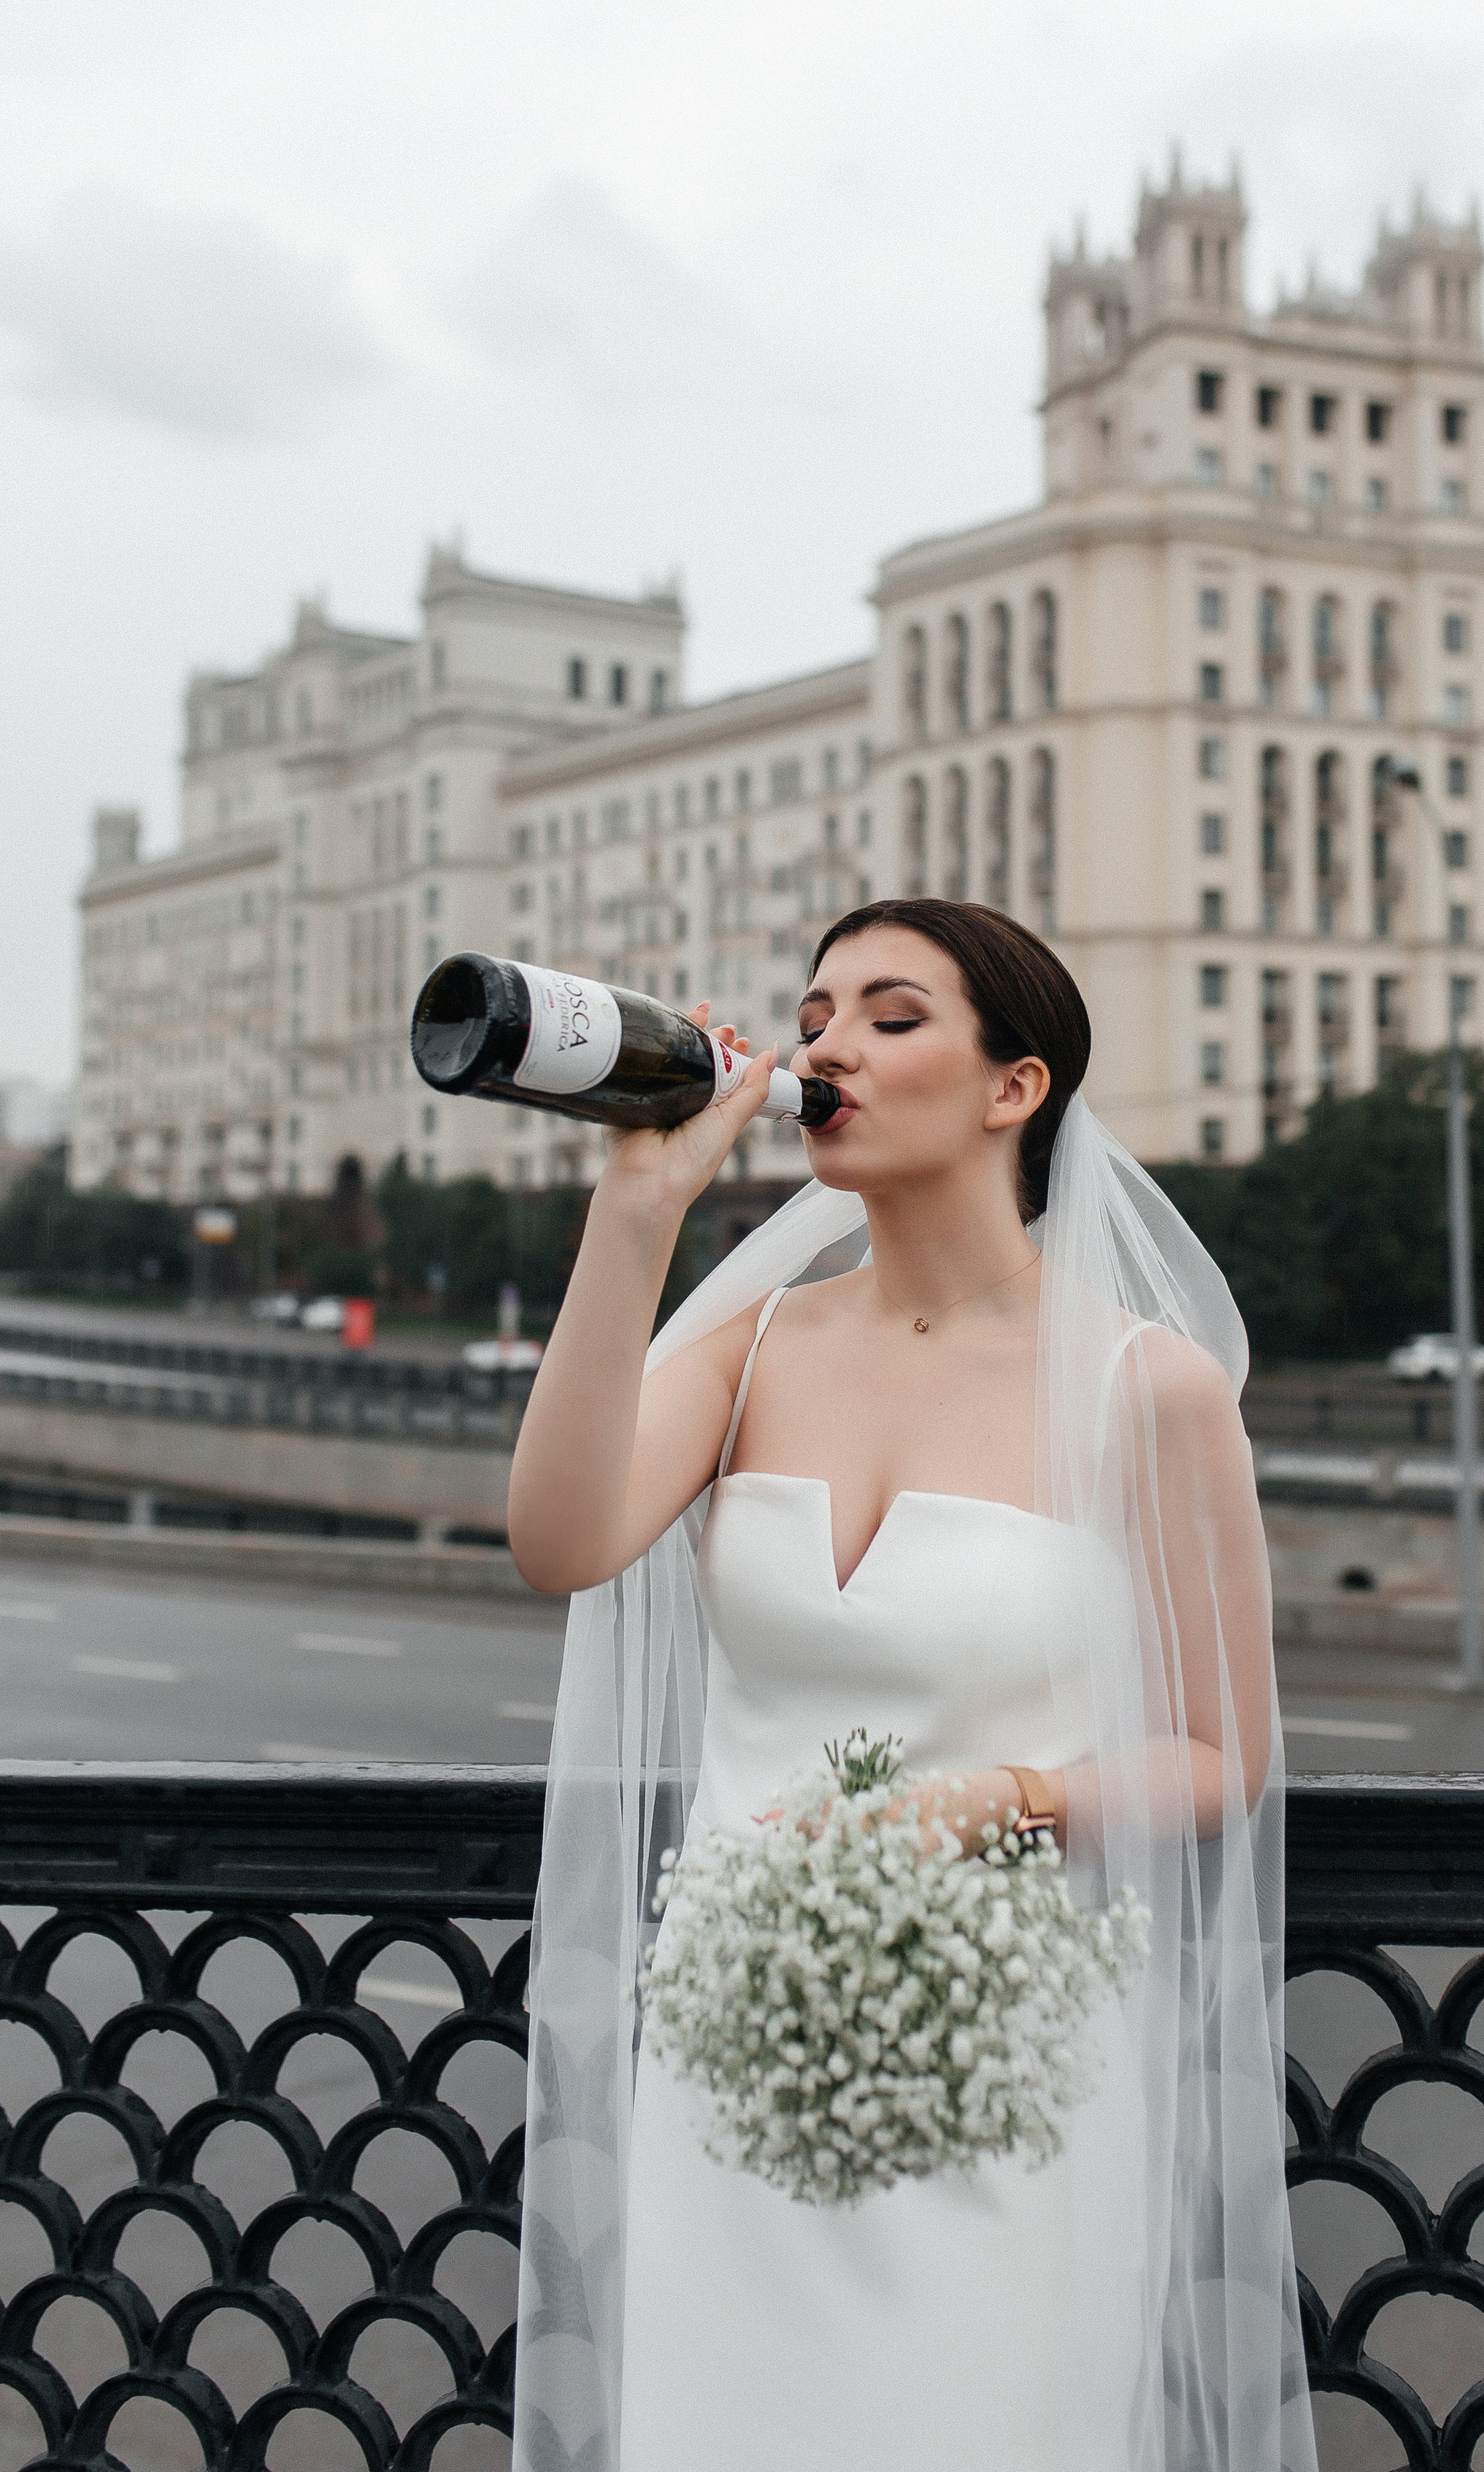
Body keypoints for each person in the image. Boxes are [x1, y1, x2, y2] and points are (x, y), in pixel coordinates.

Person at [508, 899, 1315, 2472]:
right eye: (814, 1017)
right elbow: (559, 1540)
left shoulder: (1139, 1390)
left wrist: (1003, 1804)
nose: (826, 1048)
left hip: (997, 2075)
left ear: (1012, 1087)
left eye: (888, 1016)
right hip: (737, 2060)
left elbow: (1224, 1753)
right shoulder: (750, 1348)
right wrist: (636, 1212)